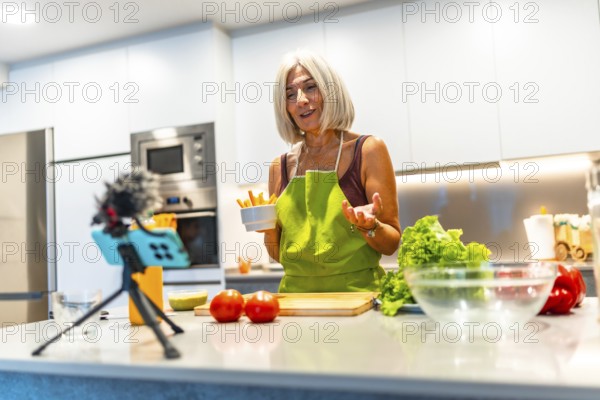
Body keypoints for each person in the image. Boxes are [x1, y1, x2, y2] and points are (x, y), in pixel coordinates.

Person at [263, 49, 401, 293]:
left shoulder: (368, 150)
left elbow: (391, 243)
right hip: (295, 304)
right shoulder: (279, 167)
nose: (301, 100)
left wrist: (369, 226)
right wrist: (267, 231)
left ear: (330, 91)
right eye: (290, 94)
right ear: (285, 108)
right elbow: (280, 257)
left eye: (310, 87)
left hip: (358, 299)